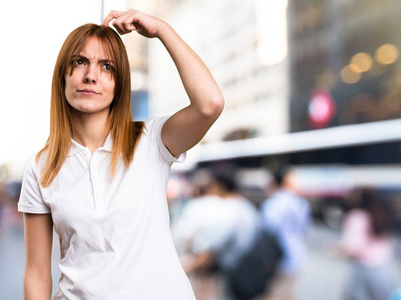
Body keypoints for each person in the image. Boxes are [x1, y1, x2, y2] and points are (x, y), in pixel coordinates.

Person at [18, 9, 224, 300]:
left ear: (119, 83)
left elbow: (210, 104)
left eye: (106, 67)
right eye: (80, 62)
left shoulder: (151, 141)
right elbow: (37, 273)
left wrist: (161, 29)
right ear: (62, 75)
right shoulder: (42, 167)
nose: (91, 76)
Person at [174, 171, 260, 300]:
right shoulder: (246, 207)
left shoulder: (228, 208)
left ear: (219, 186)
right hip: (249, 266)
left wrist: (187, 266)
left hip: (232, 270)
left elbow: (210, 251)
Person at [332, 188, 399, 300]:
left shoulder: (356, 217)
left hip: (364, 270)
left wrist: (335, 249)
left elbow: (352, 249)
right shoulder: (381, 214)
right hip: (385, 268)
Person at [260, 167, 311, 300]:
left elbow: (267, 232)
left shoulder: (273, 203)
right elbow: (305, 228)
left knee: (272, 294)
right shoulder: (301, 202)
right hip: (297, 254)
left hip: (277, 259)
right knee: (288, 294)